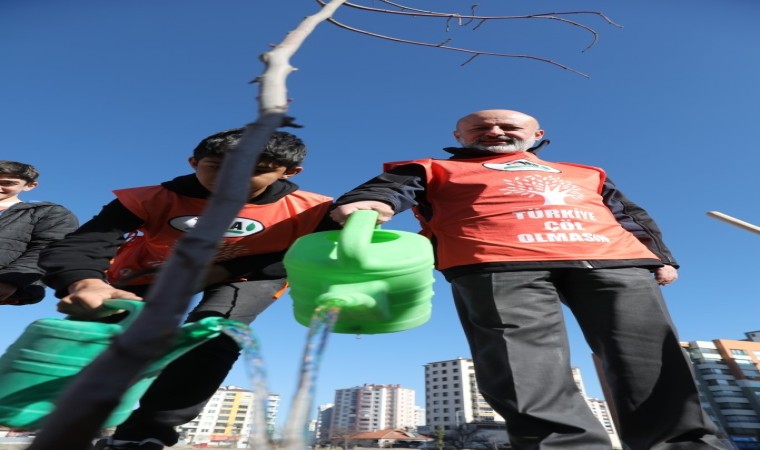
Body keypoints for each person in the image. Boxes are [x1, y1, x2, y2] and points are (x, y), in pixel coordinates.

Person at [330, 109, 729, 450]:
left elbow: (630, 214)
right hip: (496, 261)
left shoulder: (586, 173)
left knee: (650, 358)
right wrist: (370, 203)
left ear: (537, 135)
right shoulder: (431, 167)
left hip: (614, 261)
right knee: (524, 369)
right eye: (480, 128)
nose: (494, 132)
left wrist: (662, 257)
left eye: (507, 126)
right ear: (459, 136)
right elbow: (387, 189)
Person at [39, 128, 338, 450]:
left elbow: (315, 257)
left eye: (257, 170)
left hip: (251, 275)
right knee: (103, 329)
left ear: (289, 172)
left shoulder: (314, 210)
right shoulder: (150, 199)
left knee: (213, 333)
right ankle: (63, 419)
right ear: (194, 162)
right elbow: (82, 244)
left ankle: (144, 432)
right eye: (216, 166)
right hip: (155, 270)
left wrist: (223, 270)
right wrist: (85, 282)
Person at [0, 160, 78, 306]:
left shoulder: (50, 213)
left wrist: (10, 281)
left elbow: (49, 249)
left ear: (30, 185)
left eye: (8, 183)